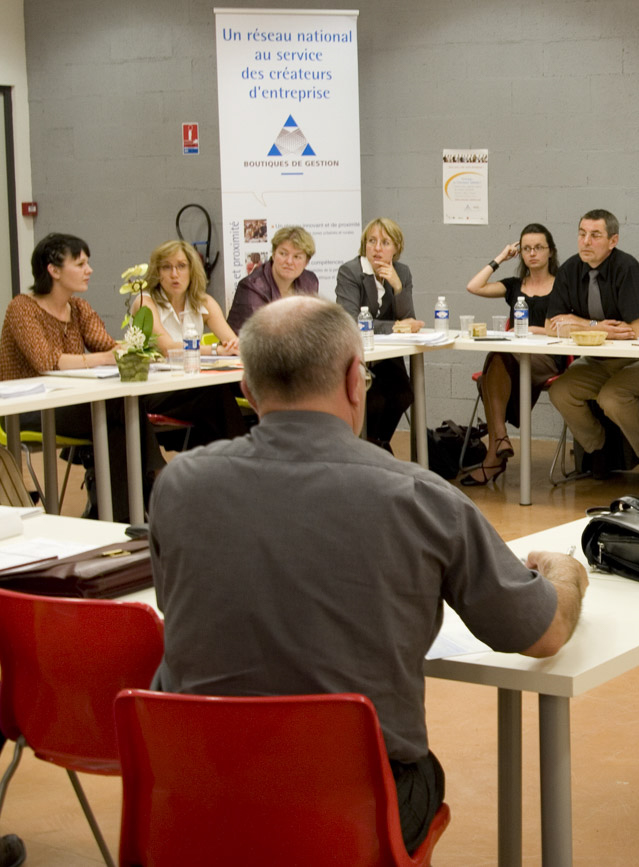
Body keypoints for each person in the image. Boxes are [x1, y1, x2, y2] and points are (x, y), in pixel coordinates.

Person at [149, 296, 587, 855]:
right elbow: (541, 632)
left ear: (250, 391)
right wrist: (565, 571)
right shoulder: (421, 497)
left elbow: (178, 606)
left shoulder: (179, 485)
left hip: (194, 797)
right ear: (357, 381)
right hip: (352, 804)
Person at [0, 233, 165, 521]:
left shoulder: (78, 307)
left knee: (119, 419)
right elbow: (46, 362)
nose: (89, 270)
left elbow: (107, 344)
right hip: (28, 408)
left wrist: (136, 347)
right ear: (53, 270)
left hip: (74, 402)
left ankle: (119, 517)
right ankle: (152, 480)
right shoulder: (22, 307)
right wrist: (105, 358)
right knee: (118, 410)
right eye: (80, 264)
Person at [545, 209, 639, 477]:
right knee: (561, 392)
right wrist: (596, 327)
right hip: (596, 362)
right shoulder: (569, 270)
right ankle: (599, 449)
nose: (586, 242)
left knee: (612, 397)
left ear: (613, 241)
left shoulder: (628, 268)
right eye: (582, 234)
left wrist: (573, 323)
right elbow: (551, 326)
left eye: (595, 235)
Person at [462, 223, 565, 486]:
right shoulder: (514, 286)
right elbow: (473, 287)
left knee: (492, 368)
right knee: (499, 353)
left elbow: (568, 330)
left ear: (550, 252)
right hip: (513, 357)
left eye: (539, 248)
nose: (532, 253)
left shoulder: (563, 285)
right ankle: (500, 440)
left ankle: (494, 453)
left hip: (549, 358)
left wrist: (536, 330)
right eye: (527, 248)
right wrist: (500, 258)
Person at [131, 240, 249, 447]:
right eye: (166, 267)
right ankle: (243, 457)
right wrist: (216, 350)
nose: (174, 274)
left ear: (192, 270)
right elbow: (168, 349)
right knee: (216, 394)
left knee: (241, 390)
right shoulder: (145, 302)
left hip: (192, 387)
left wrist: (231, 347)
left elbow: (234, 344)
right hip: (155, 391)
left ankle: (234, 459)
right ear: (157, 272)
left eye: (181, 266)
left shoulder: (204, 302)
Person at [335, 218, 425, 451]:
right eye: (372, 241)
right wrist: (393, 326)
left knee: (403, 394)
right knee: (374, 399)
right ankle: (370, 449)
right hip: (356, 355)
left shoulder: (402, 272)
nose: (377, 248)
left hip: (386, 356)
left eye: (385, 242)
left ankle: (376, 445)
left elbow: (409, 318)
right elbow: (351, 321)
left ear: (396, 248)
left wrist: (397, 287)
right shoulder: (350, 272)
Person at [227, 225, 319, 333]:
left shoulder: (309, 281)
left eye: (297, 257)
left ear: (306, 262)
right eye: (283, 254)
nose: (289, 261)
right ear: (274, 254)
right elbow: (262, 335)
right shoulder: (252, 287)